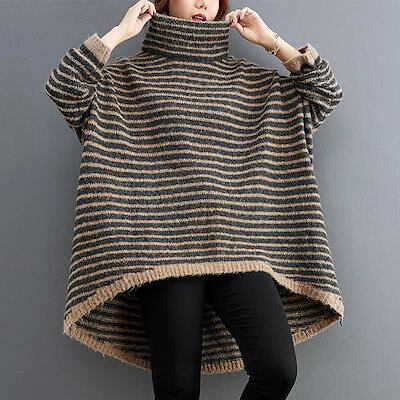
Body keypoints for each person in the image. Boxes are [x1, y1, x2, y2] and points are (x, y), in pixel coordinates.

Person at [45, 0, 344, 398]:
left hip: (240, 249)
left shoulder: (255, 83)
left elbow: (324, 93)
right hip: (161, 254)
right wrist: (119, 34)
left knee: (276, 369)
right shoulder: (124, 80)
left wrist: (271, 42)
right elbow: (64, 88)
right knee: (177, 391)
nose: (202, 2)